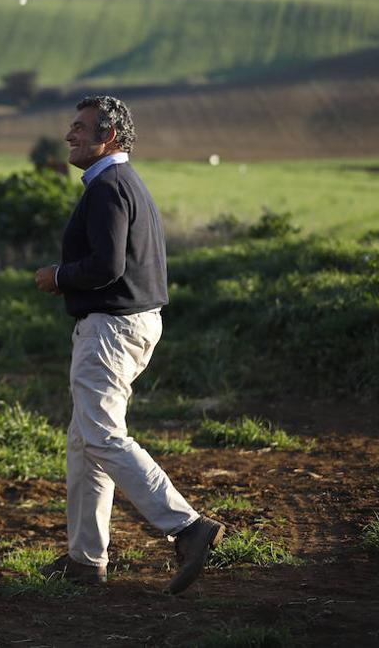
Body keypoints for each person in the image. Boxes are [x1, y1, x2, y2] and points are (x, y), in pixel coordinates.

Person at [33, 95, 224, 595]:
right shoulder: (120, 183)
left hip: (110, 328)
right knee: (84, 441)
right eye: (72, 125)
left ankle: (186, 526)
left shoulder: (109, 187)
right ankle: (84, 559)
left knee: (100, 437)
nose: (70, 135)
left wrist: (57, 276)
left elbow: (106, 266)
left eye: (80, 127)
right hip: (127, 324)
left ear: (109, 137)